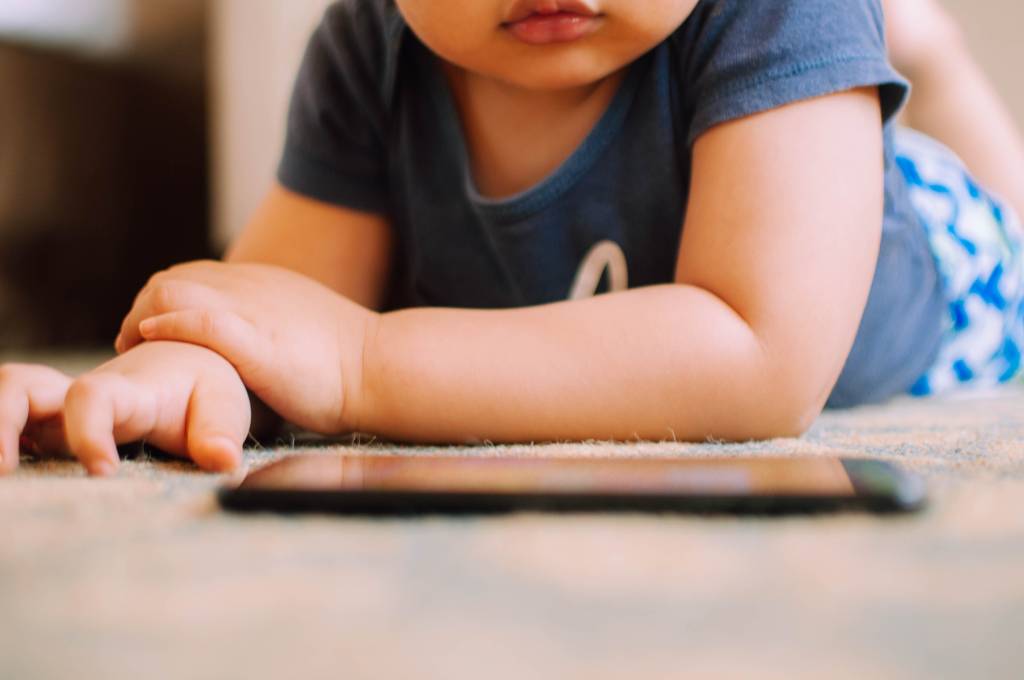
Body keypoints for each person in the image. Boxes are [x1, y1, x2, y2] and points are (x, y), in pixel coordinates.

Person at [2, 0, 1023, 477]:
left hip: (939, 262)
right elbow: (268, 325)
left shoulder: (779, 10)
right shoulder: (369, 51)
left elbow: (759, 360)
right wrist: (162, 377)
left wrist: (367, 360)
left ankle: (929, 55)